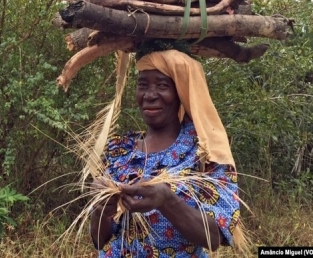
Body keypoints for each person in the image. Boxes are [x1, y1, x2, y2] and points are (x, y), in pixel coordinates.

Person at [90, 45, 242, 258]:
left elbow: (214, 237)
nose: (150, 95)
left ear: (180, 91)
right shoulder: (119, 151)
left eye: (162, 85)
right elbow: (99, 240)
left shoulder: (204, 152)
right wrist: (100, 209)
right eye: (142, 85)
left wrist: (167, 201)